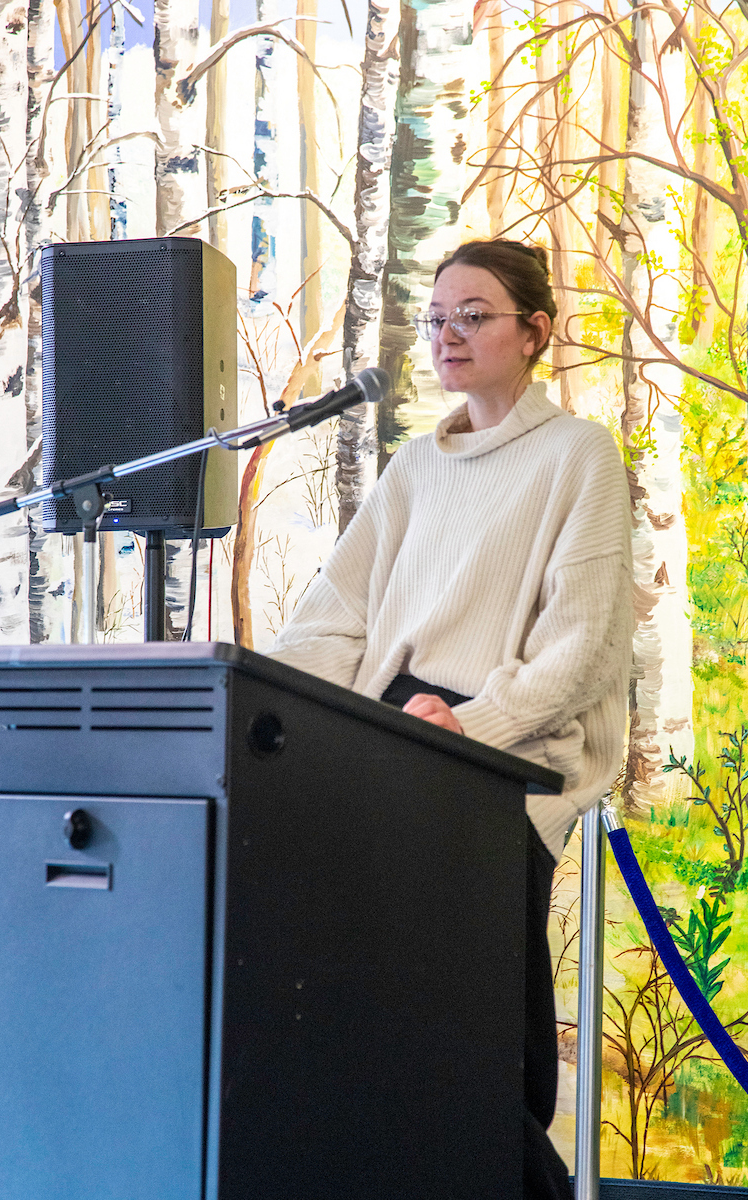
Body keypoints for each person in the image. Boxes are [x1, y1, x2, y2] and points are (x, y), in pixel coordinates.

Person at [266, 239, 632, 1199]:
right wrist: (277, 707)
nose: (447, 336)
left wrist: (472, 727)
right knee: (377, 1032)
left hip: (491, 761)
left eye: (474, 316)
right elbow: (333, 619)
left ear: (535, 332)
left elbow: (584, 646)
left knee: (482, 1048)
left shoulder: (578, 454)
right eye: (436, 319)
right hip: (384, 745)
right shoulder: (414, 467)